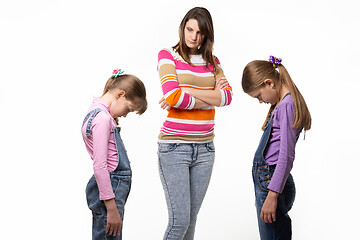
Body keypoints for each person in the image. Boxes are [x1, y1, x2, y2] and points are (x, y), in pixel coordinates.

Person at [157, 7, 233, 240]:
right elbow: (173, 97)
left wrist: (188, 90)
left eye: (200, 32)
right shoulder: (167, 55)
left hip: (205, 149)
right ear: (183, 28)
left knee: (190, 223)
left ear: (207, 34)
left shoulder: (213, 62)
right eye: (190, 29)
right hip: (174, 147)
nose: (193, 37)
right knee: (179, 222)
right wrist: (211, 97)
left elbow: (227, 97)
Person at [241, 56, 311, 239]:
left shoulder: (287, 105)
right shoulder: (280, 103)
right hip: (268, 182)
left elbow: (286, 156)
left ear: (269, 83)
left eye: (258, 95)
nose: (260, 101)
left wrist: (271, 195)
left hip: (271, 180)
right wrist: (262, 192)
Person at [81, 69, 147, 240]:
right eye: (128, 109)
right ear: (120, 95)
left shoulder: (95, 112)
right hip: (110, 190)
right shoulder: (102, 119)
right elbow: (100, 166)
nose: (125, 115)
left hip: (110, 188)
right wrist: (111, 207)